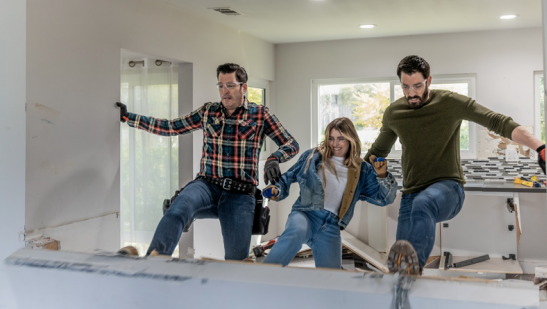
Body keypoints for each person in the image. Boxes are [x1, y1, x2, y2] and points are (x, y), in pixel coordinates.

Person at [364, 55, 547, 275]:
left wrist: (540, 147)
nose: (412, 93)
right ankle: (404, 289)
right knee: (401, 256)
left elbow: (497, 121)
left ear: (429, 81)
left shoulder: (449, 103)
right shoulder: (394, 113)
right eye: (406, 87)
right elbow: (377, 152)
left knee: (423, 208)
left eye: (417, 86)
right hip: (411, 193)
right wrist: (350, 172)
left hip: (449, 189)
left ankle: (414, 270)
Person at [115, 63, 299, 259]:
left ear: (243, 87)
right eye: (220, 86)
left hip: (240, 194)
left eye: (230, 85)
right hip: (207, 185)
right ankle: (155, 258)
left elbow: (291, 143)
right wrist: (129, 118)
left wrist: (274, 158)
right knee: (178, 208)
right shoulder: (208, 112)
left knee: (236, 261)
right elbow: (171, 127)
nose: (224, 91)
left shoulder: (260, 114)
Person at [262, 117, 398, 269]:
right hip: (305, 214)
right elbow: (288, 177)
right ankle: (260, 278)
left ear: (350, 139)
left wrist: (382, 176)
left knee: (332, 277)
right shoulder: (312, 156)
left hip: (331, 226)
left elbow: (384, 198)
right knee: (295, 232)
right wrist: (277, 190)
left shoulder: (362, 169)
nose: (335, 144)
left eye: (340, 139)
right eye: (331, 138)